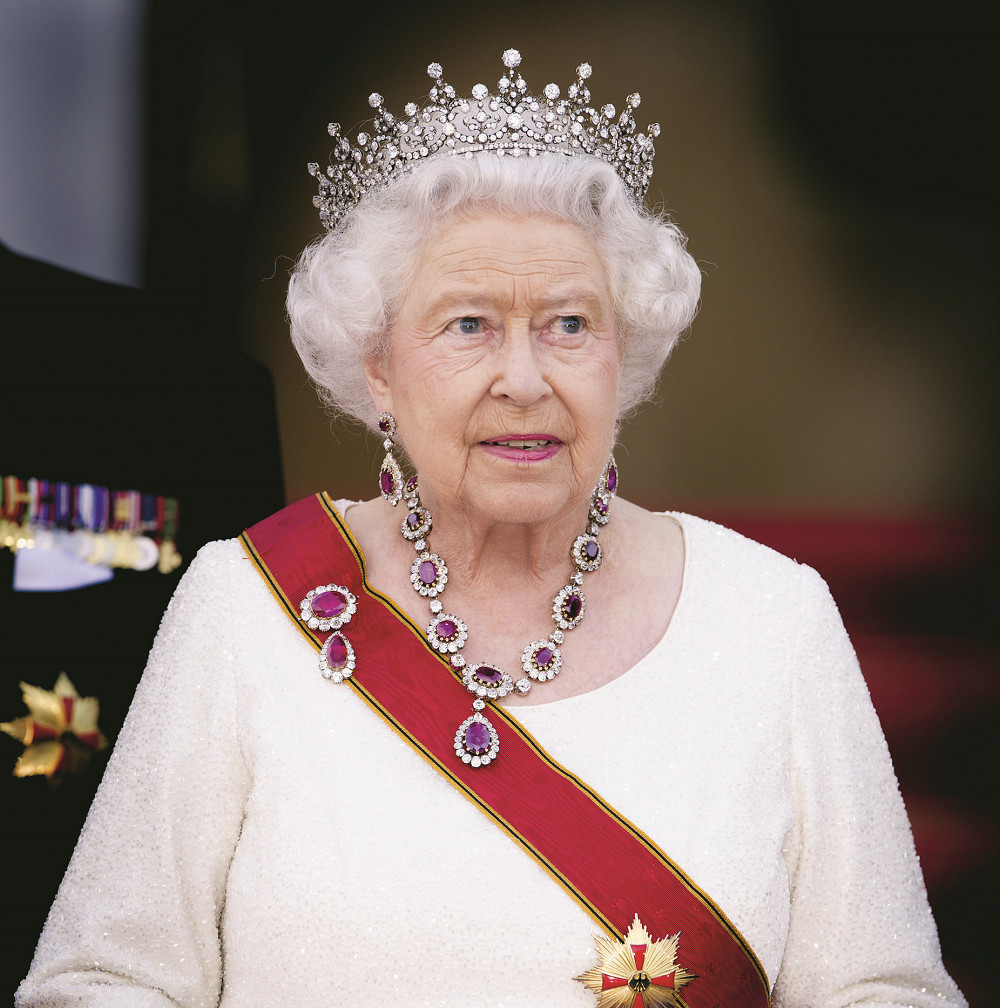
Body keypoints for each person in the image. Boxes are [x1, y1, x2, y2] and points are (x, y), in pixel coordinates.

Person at [17, 50, 965, 1008]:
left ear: (626, 356)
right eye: (468, 325)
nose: (523, 378)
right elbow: (103, 980)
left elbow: (887, 990)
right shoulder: (244, 605)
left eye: (569, 324)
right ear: (379, 367)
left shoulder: (774, 618)